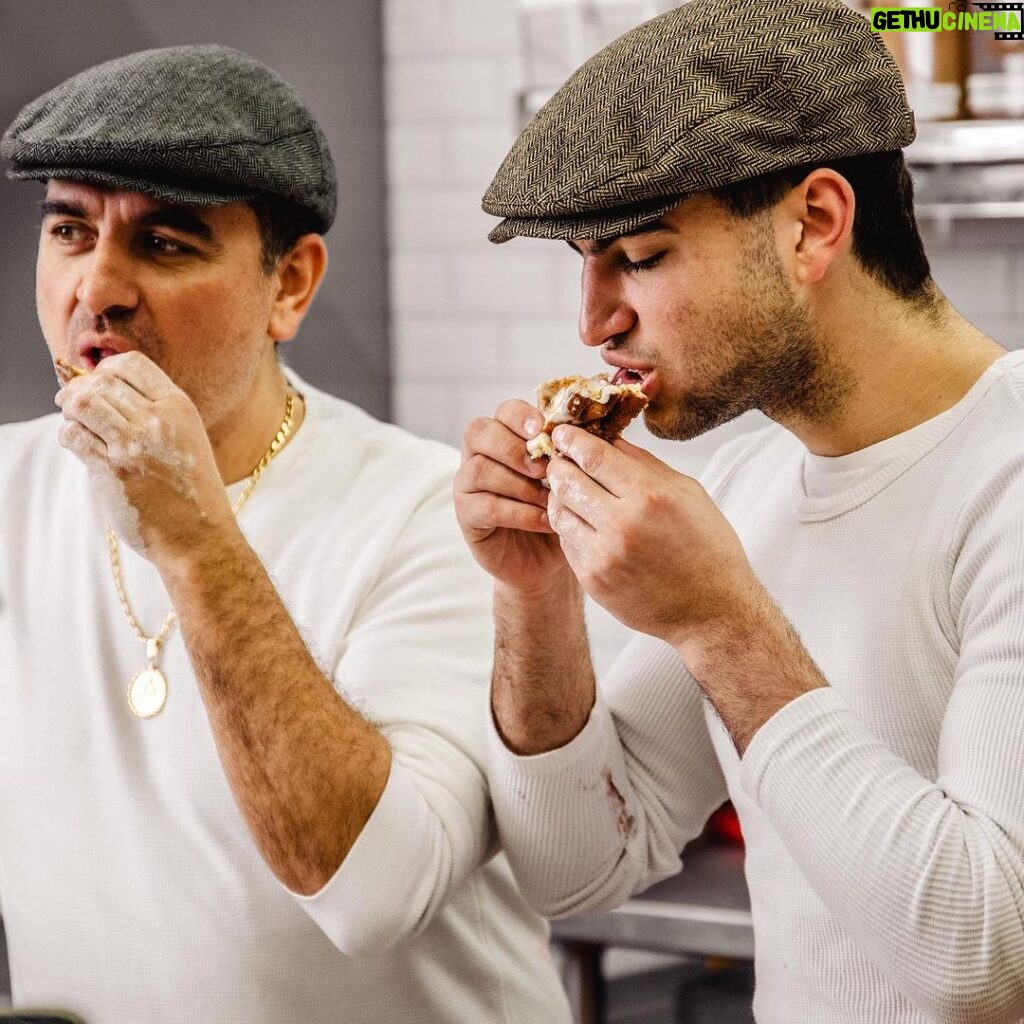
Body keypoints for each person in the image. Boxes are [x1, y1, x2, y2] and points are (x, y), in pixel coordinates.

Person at [455, 0, 1024, 1020]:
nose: (593, 321)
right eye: (581, 264)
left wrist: (722, 624)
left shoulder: (1007, 478)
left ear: (813, 224)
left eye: (640, 254)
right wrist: (532, 594)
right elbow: (577, 871)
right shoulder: (753, 488)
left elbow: (986, 959)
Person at [0, 45, 571, 1024]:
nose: (97, 288)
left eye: (167, 243)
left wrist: (194, 536)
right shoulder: (8, 493)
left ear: (290, 285)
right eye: (68, 230)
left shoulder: (432, 517)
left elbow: (373, 892)